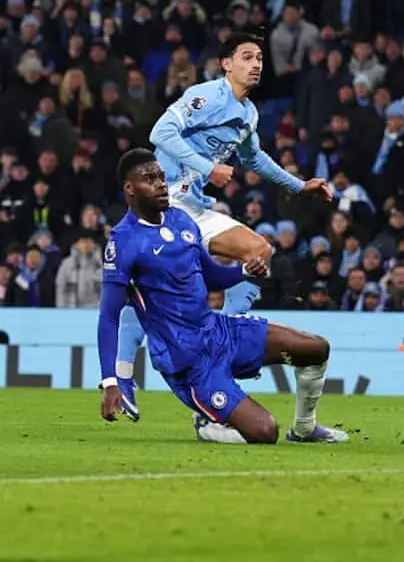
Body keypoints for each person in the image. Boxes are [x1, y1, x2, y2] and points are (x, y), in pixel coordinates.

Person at [112, 33, 333, 420]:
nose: (256, 64)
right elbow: (160, 133)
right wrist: (207, 167)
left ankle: (220, 347)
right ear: (226, 64)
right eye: (247, 57)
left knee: (259, 251)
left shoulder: (248, 114)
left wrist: (300, 186)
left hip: (196, 209)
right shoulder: (207, 96)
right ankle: (123, 375)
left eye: (259, 58)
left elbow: (255, 158)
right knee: (149, 289)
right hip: (166, 204)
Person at [97, 148, 347, 444]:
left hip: (218, 331)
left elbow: (212, 276)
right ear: (130, 188)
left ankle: (305, 428)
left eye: (162, 177)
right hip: (187, 362)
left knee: (316, 348)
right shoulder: (123, 242)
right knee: (265, 432)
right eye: (149, 179)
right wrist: (111, 380)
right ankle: (207, 422)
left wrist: (244, 271)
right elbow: (109, 316)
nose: (161, 184)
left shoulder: (180, 220)